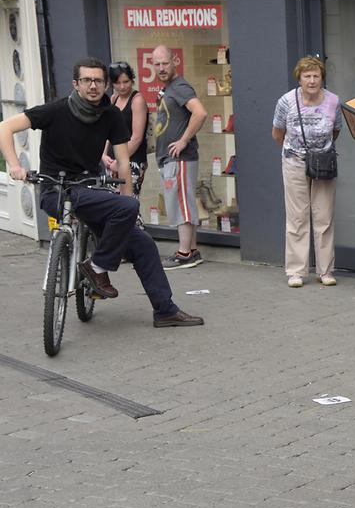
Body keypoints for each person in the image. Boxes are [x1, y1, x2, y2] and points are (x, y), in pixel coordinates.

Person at [0, 56, 203, 328]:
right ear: (76, 84)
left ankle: (164, 310)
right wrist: (15, 165)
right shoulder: (56, 110)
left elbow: (121, 161)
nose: (93, 86)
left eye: (98, 81)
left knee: (142, 242)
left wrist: (128, 192)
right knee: (126, 209)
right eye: (87, 80)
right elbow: (5, 127)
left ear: (105, 85)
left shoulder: (110, 115)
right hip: (57, 189)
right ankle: (97, 269)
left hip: (90, 190)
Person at [272, 56, 342, 288]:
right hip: (294, 162)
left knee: (324, 217)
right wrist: (298, 153)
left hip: (323, 164)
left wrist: (318, 152)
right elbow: (277, 133)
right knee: (297, 217)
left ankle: (326, 271)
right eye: (307, 76)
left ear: (322, 77)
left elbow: (335, 131)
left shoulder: (333, 101)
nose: (312, 81)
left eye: (316, 76)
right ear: (299, 78)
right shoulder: (286, 101)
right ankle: (296, 271)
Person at [151, 45, 208, 270]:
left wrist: (183, 140)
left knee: (181, 204)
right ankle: (191, 251)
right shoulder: (169, 88)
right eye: (157, 64)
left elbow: (200, 112)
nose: (162, 68)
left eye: (165, 63)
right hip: (171, 158)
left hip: (181, 158)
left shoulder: (180, 87)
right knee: (183, 202)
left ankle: (184, 253)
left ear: (174, 60)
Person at [102, 61, 149, 202]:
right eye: (117, 83)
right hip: (112, 160)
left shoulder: (137, 100)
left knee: (129, 203)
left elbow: (137, 137)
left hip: (132, 160)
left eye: (126, 82)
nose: (122, 86)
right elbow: (108, 132)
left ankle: (136, 225)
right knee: (113, 205)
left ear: (132, 80)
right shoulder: (113, 98)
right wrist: (103, 155)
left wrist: (121, 161)